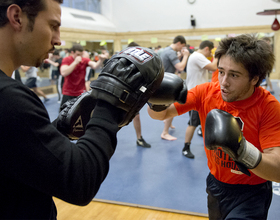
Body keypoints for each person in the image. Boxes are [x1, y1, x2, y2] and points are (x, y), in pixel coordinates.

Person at [0, 1, 163, 219]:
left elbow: (17, 152)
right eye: (53, 25)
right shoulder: (9, 99)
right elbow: (80, 180)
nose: (58, 39)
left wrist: (59, 129)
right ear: (17, 17)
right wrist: (110, 104)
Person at [148, 34, 280, 219]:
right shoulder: (206, 92)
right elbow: (160, 114)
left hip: (252, 194)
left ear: (254, 79)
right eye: (221, 71)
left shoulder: (268, 107)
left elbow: (277, 170)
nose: (223, 82)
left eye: (234, 75)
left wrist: (242, 151)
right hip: (216, 186)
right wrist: (154, 99)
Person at [182, 40, 218, 158]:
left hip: (200, 94)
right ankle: (185, 148)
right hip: (195, 95)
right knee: (192, 123)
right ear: (207, 48)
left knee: (205, 119)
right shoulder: (198, 56)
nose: (211, 55)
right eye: (211, 51)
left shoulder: (196, 56)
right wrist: (218, 54)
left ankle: (203, 134)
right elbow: (213, 67)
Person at [160, 35, 190, 141]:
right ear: (178, 43)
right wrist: (186, 56)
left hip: (165, 81)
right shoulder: (171, 52)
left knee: (169, 105)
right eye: (182, 46)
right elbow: (180, 67)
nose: (182, 49)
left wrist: (181, 56)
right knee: (172, 106)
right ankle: (165, 133)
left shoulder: (167, 50)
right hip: (167, 83)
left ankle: (168, 122)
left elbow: (173, 63)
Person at [60, 43, 107, 107]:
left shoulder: (84, 60)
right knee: (64, 114)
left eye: (81, 54)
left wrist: (101, 60)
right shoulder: (67, 59)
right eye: (78, 54)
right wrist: (75, 62)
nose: (80, 56)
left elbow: (95, 66)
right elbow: (63, 73)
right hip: (68, 92)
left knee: (81, 114)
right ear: (72, 52)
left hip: (80, 92)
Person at [127, 41, 151, 148]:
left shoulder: (138, 62)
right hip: (120, 93)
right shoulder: (123, 61)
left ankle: (139, 138)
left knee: (136, 116)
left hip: (132, 93)